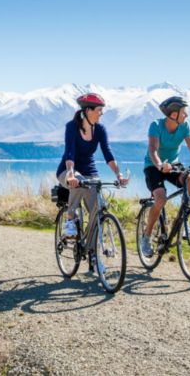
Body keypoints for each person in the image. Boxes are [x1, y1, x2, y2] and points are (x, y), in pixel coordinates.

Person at [57, 92, 129, 270]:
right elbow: (70, 153)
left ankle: (92, 254)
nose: (101, 113)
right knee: (79, 180)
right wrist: (72, 175)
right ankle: (70, 218)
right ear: (88, 111)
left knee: (98, 210)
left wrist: (118, 175)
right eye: (99, 110)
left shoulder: (100, 129)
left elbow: (108, 154)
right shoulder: (72, 127)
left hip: (90, 173)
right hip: (68, 171)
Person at [140, 96, 190, 258]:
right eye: (183, 113)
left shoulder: (185, 126)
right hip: (153, 166)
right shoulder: (156, 125)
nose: (186, 116)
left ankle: (185, 223)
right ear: (173, 114)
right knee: (160, 199)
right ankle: (146, 237)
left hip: (173, 165)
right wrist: (160, 165)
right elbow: (153, 150)